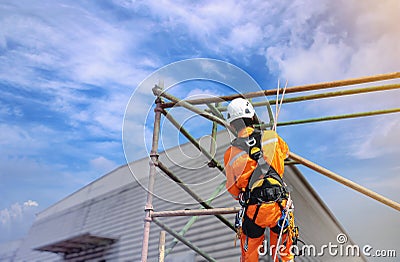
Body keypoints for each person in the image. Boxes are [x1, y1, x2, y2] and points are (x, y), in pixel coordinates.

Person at [224, 98, 295, 262]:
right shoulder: (272, 137)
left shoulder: (231, 152)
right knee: (284, 255)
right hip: (278, 207)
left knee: (249, 257)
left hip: (253, 209)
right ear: (253, 117)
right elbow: (286, 153)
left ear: (232, 125)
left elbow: (233, 190)